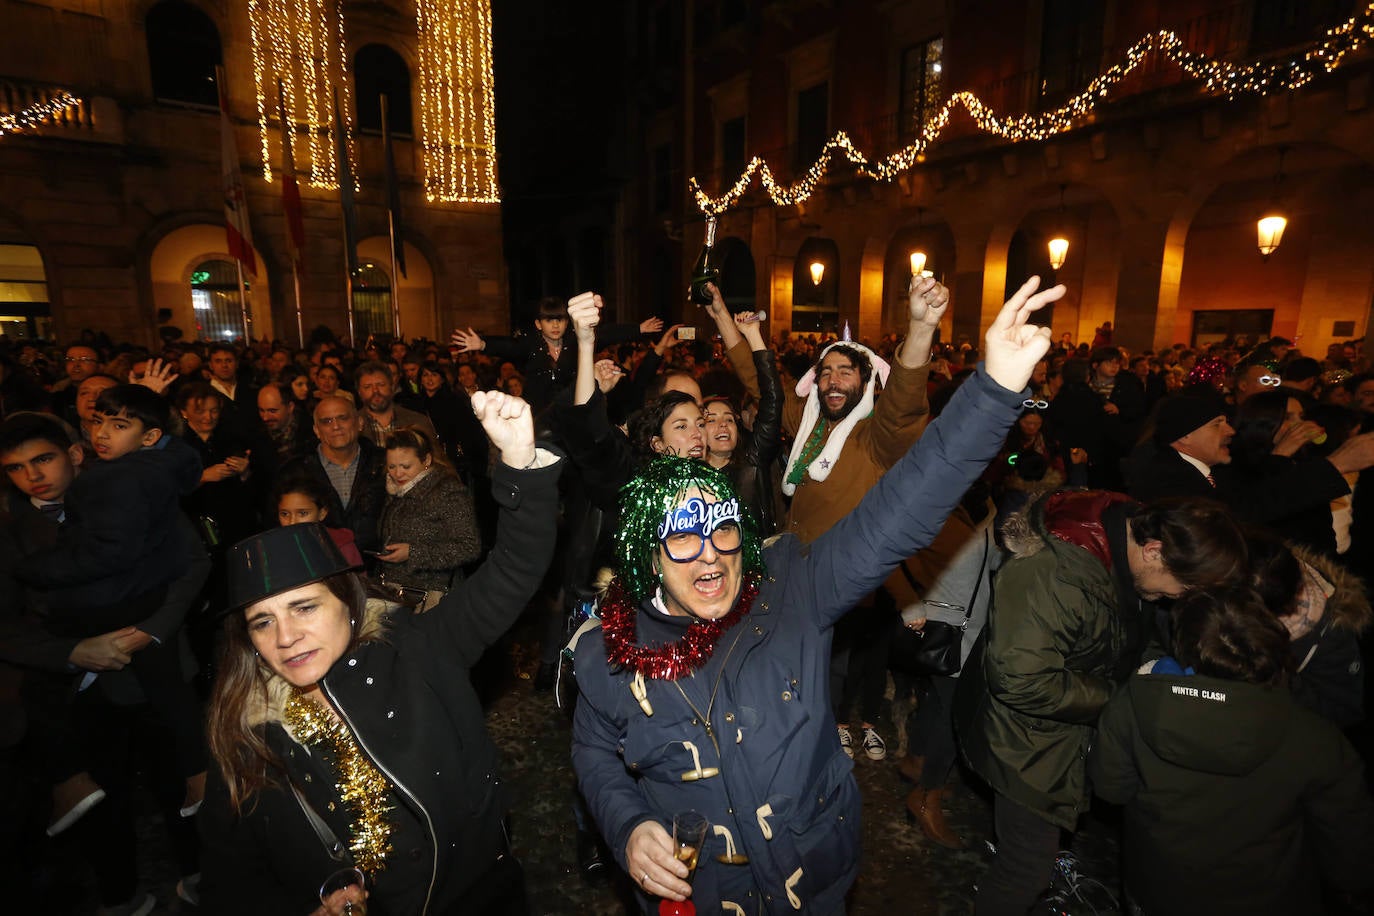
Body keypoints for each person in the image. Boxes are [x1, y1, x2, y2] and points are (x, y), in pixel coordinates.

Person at [570, 276, 1063, 915]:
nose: (712, 555)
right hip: (700, 895)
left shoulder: (789, 587)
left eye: (721, 530)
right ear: (647, 558)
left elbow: (902, 507)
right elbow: (593, 750)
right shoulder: (609, 646)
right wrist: (629, 825)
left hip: (814, 877)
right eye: (682, 540)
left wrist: (993, 391)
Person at [198, 390, 562, 915]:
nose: (285, 637)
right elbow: (229, 880)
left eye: (303, 608)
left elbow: (515, 568)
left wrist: (521, 466)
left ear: (346, 603)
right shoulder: (241, 730)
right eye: (262, 621)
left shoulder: (420, 647)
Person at [953, 491, 1249, 914]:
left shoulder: (1121, 546)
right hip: (1021, 740)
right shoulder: (1052, 572)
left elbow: (1125, 634)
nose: (1178, 598)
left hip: (1059, 732)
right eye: (1181, 586)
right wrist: (1125, 697)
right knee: (1025, 867)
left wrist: (1151, 668)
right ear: (1153, 551)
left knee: (1032, 858)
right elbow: (1020, 679)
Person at [1088, 588, 1374, 915]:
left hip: (1159, 894)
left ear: (1182, 643)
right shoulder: (1314, 737)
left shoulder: (1132, 704)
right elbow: (1352, 857)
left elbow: (1111, 789)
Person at [376, 427, 482, 609]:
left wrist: (413, 553)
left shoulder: (448, 492)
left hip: (432, 598)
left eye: (406, 466)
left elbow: (470, 547)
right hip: (395, 595)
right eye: (392, 466)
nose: (397, 473)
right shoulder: (394, 490)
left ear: (426, 460)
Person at [282, 396, 388, 556]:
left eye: (343, 418)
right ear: (316, 430)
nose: (336, 426)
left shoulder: (385, 463)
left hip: (381, 566)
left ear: (360, 423)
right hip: (318, 564)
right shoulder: (295, 471)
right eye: (327, 421)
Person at [270, 473, 364, 567]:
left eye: (303, 513)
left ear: (322, 513)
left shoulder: (341, 545)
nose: (292, 522)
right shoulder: (274, 547)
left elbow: (356, 580)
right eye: (285, 514)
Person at [354, 361, 437, 447]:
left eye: (381, 385)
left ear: (392, 387)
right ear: (359, 392)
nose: (375, 391)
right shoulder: (351, 426)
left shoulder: (418, 421)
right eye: (367, 387)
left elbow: (436, 458)